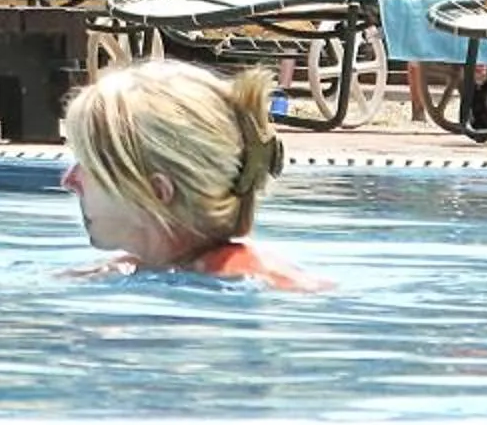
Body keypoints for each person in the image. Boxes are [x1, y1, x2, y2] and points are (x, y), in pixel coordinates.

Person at [59, 57, 325, 289]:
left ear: (156, 192)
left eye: (89, 164)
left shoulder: (242, 281)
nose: (69, 180)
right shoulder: (151, 267)